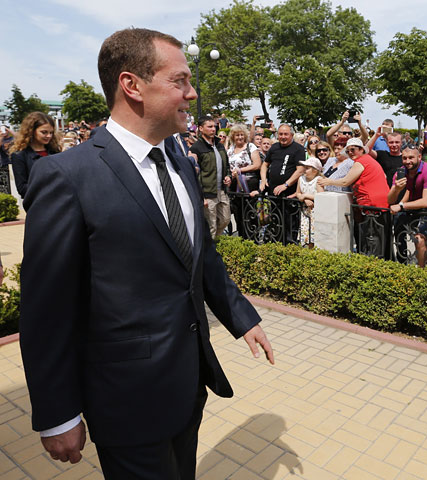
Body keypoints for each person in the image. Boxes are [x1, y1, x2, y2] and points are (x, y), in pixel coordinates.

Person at [19, 28, 273, 479]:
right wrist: (57, 413)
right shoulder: (67, 175)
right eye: (180, 81)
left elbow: (200, 256)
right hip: (125, 399)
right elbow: (46, 306)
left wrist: (241, 317)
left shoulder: (180, 163)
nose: (192, 94)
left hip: (187, 384)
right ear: (131, 85)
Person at [318, 138, 390, 258]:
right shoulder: (367, 160)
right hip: (378, 204)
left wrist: (328, 181)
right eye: (348, 151)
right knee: (379, 241)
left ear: (361, 150)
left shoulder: (361, 162)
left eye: (353, 149)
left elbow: (345, 181)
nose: (350, 153)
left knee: (373, 242)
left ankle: (373, 265)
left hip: (372, 205)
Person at [387, 147, 427, 267]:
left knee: (420, 239)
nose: (407, 161)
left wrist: (401, 205)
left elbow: (426, 202)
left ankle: (421, 273)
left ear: (419, 157)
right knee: (405, 233)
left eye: (411, 157)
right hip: (412, 206)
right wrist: (396, 189)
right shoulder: (401, 172)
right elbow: (390, 200)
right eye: (404, 158)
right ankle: (406, 265)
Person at [189, 116, 232, 239]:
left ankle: (214, 244)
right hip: (207, 193)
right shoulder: (196, 148)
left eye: (214, 126)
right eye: (210, 126)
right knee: (211, 225)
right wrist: (201, 196)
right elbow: (194, 174)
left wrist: (228, 176)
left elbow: (227, 165)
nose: (213, 129)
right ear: (201, 128)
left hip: (222, 190)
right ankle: (211, 247)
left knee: (225, 219)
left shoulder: (220, 145)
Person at [10, 111, 61, 199]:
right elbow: (22, 189)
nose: (48, 136)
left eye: (51, 132)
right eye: (44, 132)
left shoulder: (55, 151)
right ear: (32, 131)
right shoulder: (19, 155)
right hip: (38, 203)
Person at [289, 156, 324, 247]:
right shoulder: (301, 179)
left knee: (315, 235)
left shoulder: (318, 180)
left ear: (315, 170)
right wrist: (304, 199)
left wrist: (306, 196)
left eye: (307, 168)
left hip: (316, 212)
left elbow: (321, 196)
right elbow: (298, 193)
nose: (304, 170)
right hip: (305, 211)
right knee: (305, 235)